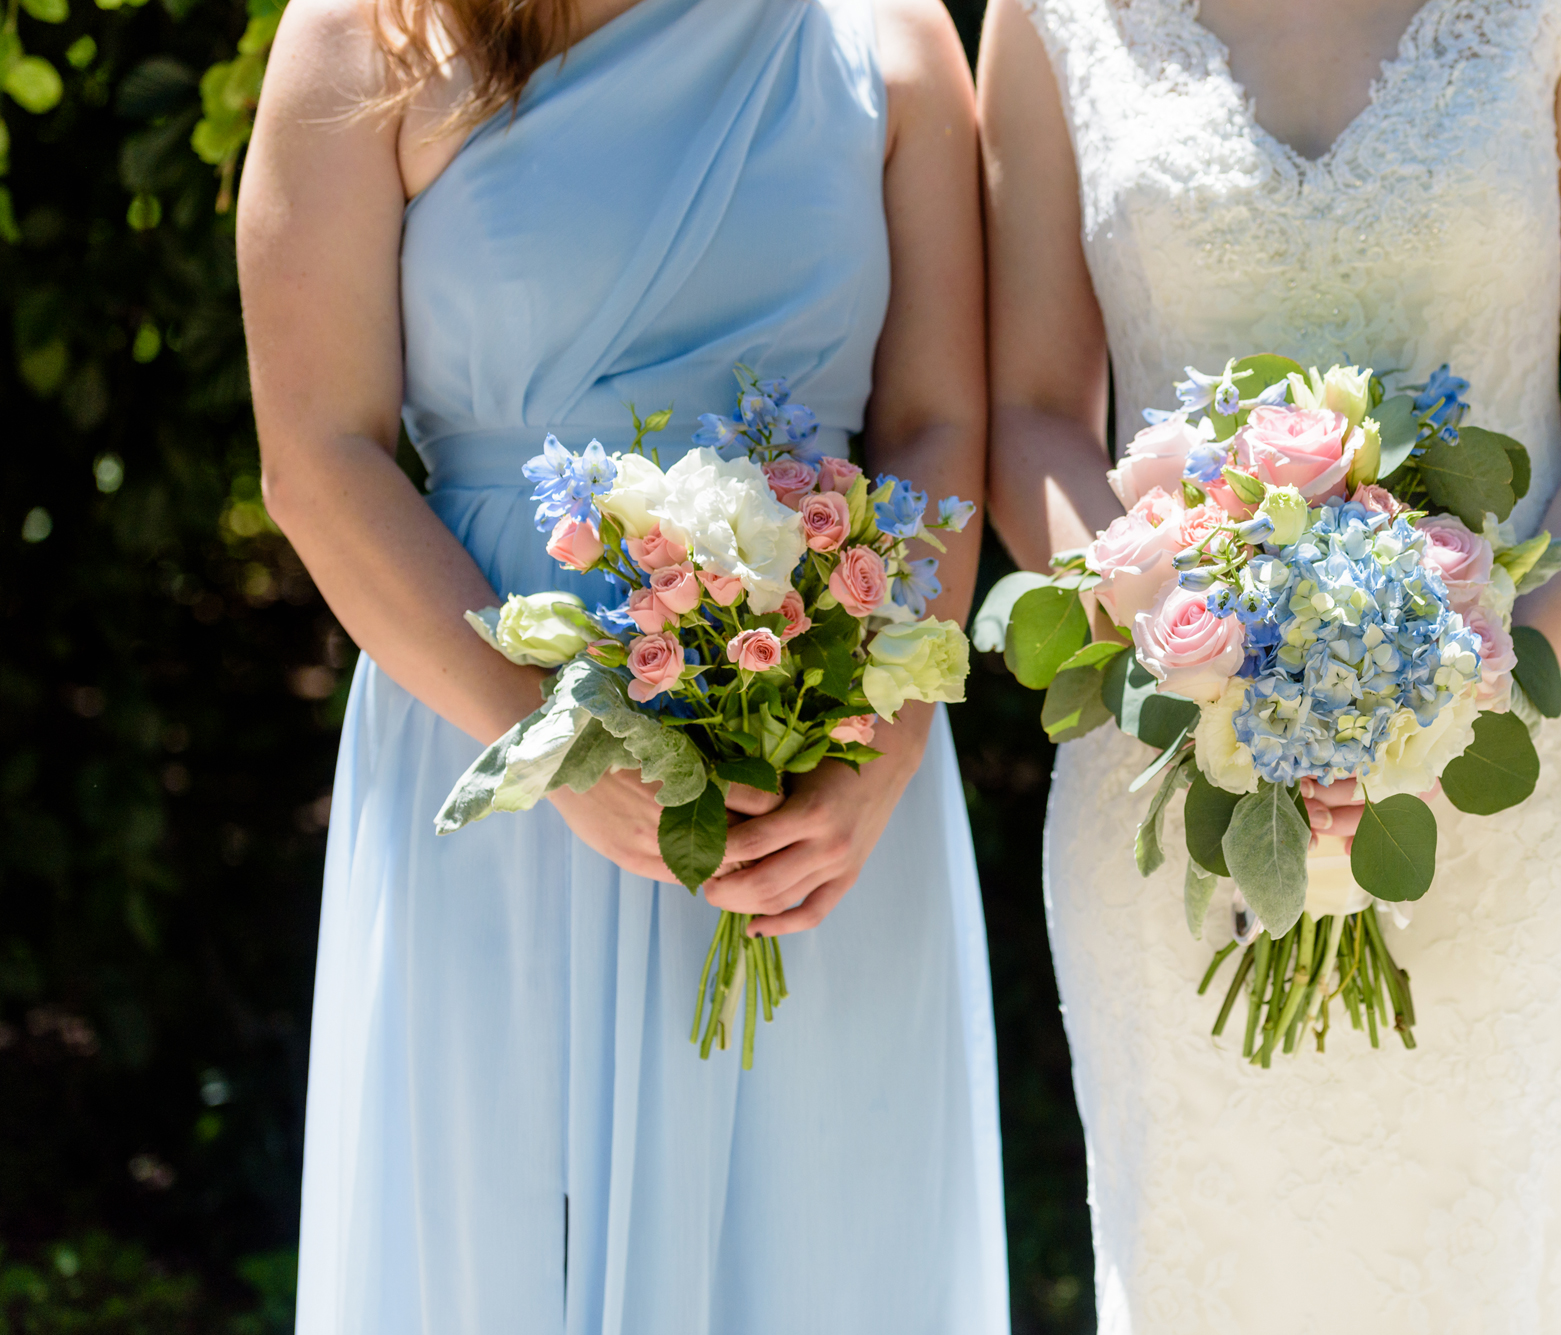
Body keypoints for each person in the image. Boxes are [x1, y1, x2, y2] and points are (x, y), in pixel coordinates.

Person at [979, 0, 1561, 1325]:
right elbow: (1027, 411)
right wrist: (1177, 656)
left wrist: (1465, 687)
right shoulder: (1050, 16)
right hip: (1182, 792)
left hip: (1523, 797)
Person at [238, 0, 1006, 1327]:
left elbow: (938, 421)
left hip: (820, 776)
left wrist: (882, 746)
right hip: (491, 734)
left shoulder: (889, 37)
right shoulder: (367, 35)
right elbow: (315, 455)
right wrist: (550, 743)